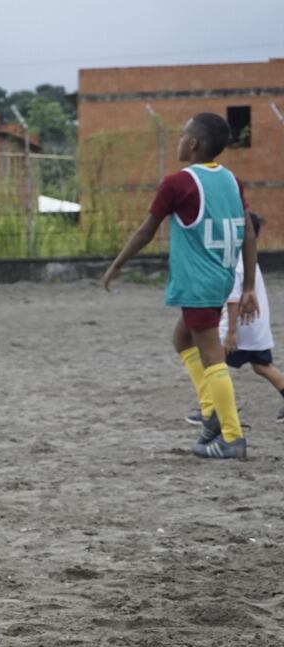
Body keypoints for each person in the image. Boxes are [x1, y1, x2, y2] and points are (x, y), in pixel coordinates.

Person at [103, 112, 258, 459]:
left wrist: (116, 265)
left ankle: (231, 437)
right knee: (181, 338)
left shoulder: (177, 183)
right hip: (218, 278)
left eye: (182, 134)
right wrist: (247, 284)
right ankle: (212, 413)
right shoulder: (232, 180)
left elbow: (146, 231)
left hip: (199, 283)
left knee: (211, 354)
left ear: (193, 143)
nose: (178, 139)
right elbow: (248, 232)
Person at [200, 212, 284, 423]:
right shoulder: (249, 261)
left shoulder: (236, 262)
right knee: (261, 366)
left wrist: (230, 333)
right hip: (255, 326)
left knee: (213, 361)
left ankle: (215, 409)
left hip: (240, 326)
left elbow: (233, 299)